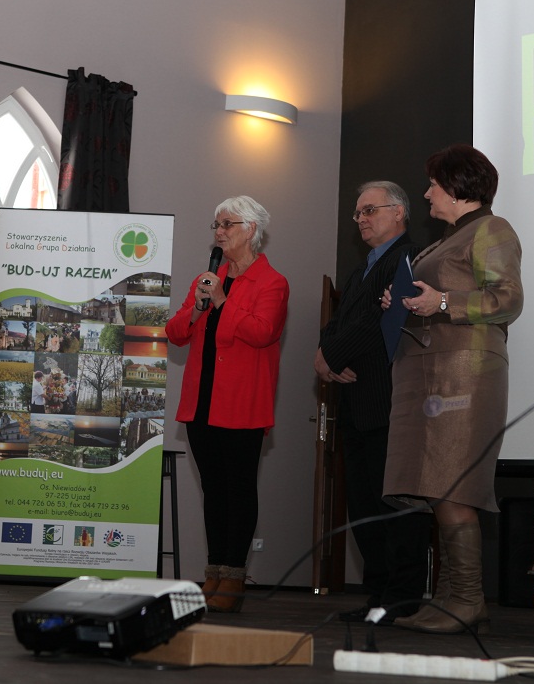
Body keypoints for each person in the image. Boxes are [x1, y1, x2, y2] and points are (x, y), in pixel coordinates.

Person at [381, 143, 523, 634]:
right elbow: (433, 297)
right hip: (428, 369)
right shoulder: (441, 242)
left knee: (453, 483)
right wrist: (403, 301)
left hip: (465, 370)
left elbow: (508, 299)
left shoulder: (491, 229)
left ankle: (466, 598)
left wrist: (442, 302)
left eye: (434, 185)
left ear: (459, 188)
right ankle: (447, 599)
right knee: (437, 486)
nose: (426, 194)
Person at [314, 181, 432, 623]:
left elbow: (375, 323)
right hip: (357, 406)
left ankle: (402, 598)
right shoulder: (361, 269)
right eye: (358, 213)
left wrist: (328, 357)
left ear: (399, 212)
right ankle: (378, 595)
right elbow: (336, 324)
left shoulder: (410, 258)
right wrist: (326, 355)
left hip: (390, 404)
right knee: (363, 506)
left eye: (370, 210)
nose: (361, 219)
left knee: (396, 508)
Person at [166, 195, 289, 613]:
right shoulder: (208, 279)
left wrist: (222, 301)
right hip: (201, 403)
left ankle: (234, 577)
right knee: (213, 490)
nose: (219, 232)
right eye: (216, 225)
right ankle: (214, 572)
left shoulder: (272, 282)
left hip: (241, 404)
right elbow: (176, 332)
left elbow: (262, 332)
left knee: (237, 490)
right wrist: (198, 309)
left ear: (251, 229)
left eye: (227, 224)